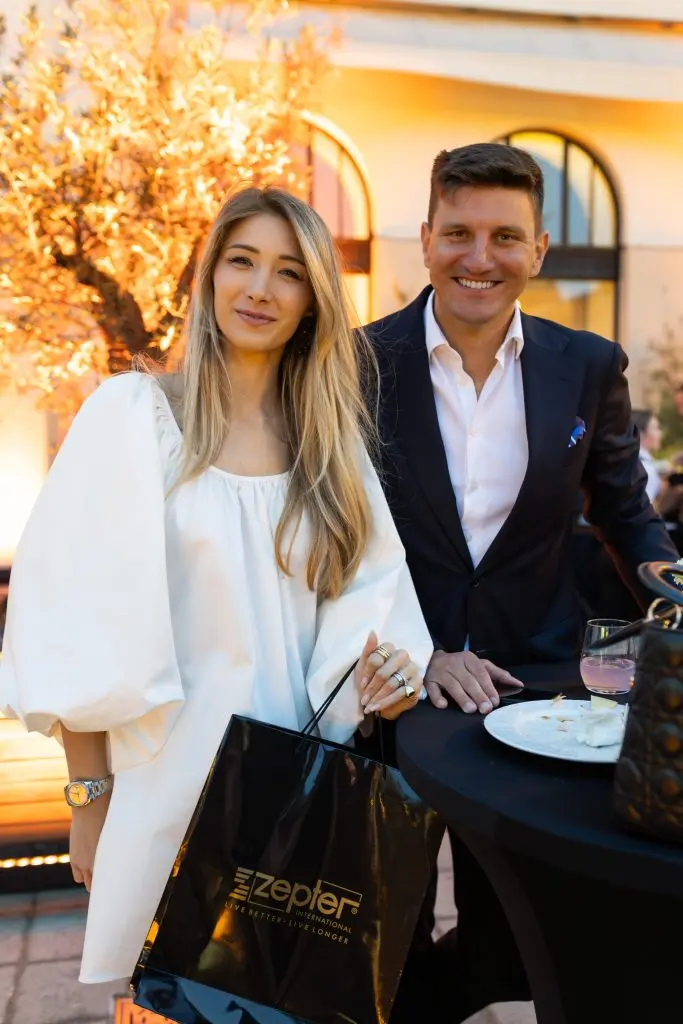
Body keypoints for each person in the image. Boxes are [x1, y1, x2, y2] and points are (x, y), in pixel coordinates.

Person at [0, 186, 433, 987]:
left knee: (277, 999)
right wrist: (89, 801)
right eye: (241, 261)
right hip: (162, 790)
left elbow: (376, 610)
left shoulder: (329, 447)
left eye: (288, 272)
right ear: (209, 276)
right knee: (165, 1003)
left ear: (313, 300)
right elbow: (78, 623)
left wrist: (392, 673)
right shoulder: (132, 417)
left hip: (293, 796)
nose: (260, 289)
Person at [364, 142, 678, 1022]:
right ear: (425, 239)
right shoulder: (354, 363)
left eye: (505, 236)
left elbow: (624, 512)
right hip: (387, 683)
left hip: (528, 691)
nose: (479, 257)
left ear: (537, 250)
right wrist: (413, 649)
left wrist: (676, 595)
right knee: (378, 929)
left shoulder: (587, 365)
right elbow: (329, 537)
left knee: (514, 937)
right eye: (457, 233)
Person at [632, 408, 664, 504]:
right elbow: (643, 508)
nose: (660, 433)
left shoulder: (631, 461)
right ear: (641, 433)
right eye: (656, 428)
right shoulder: (647, 471)